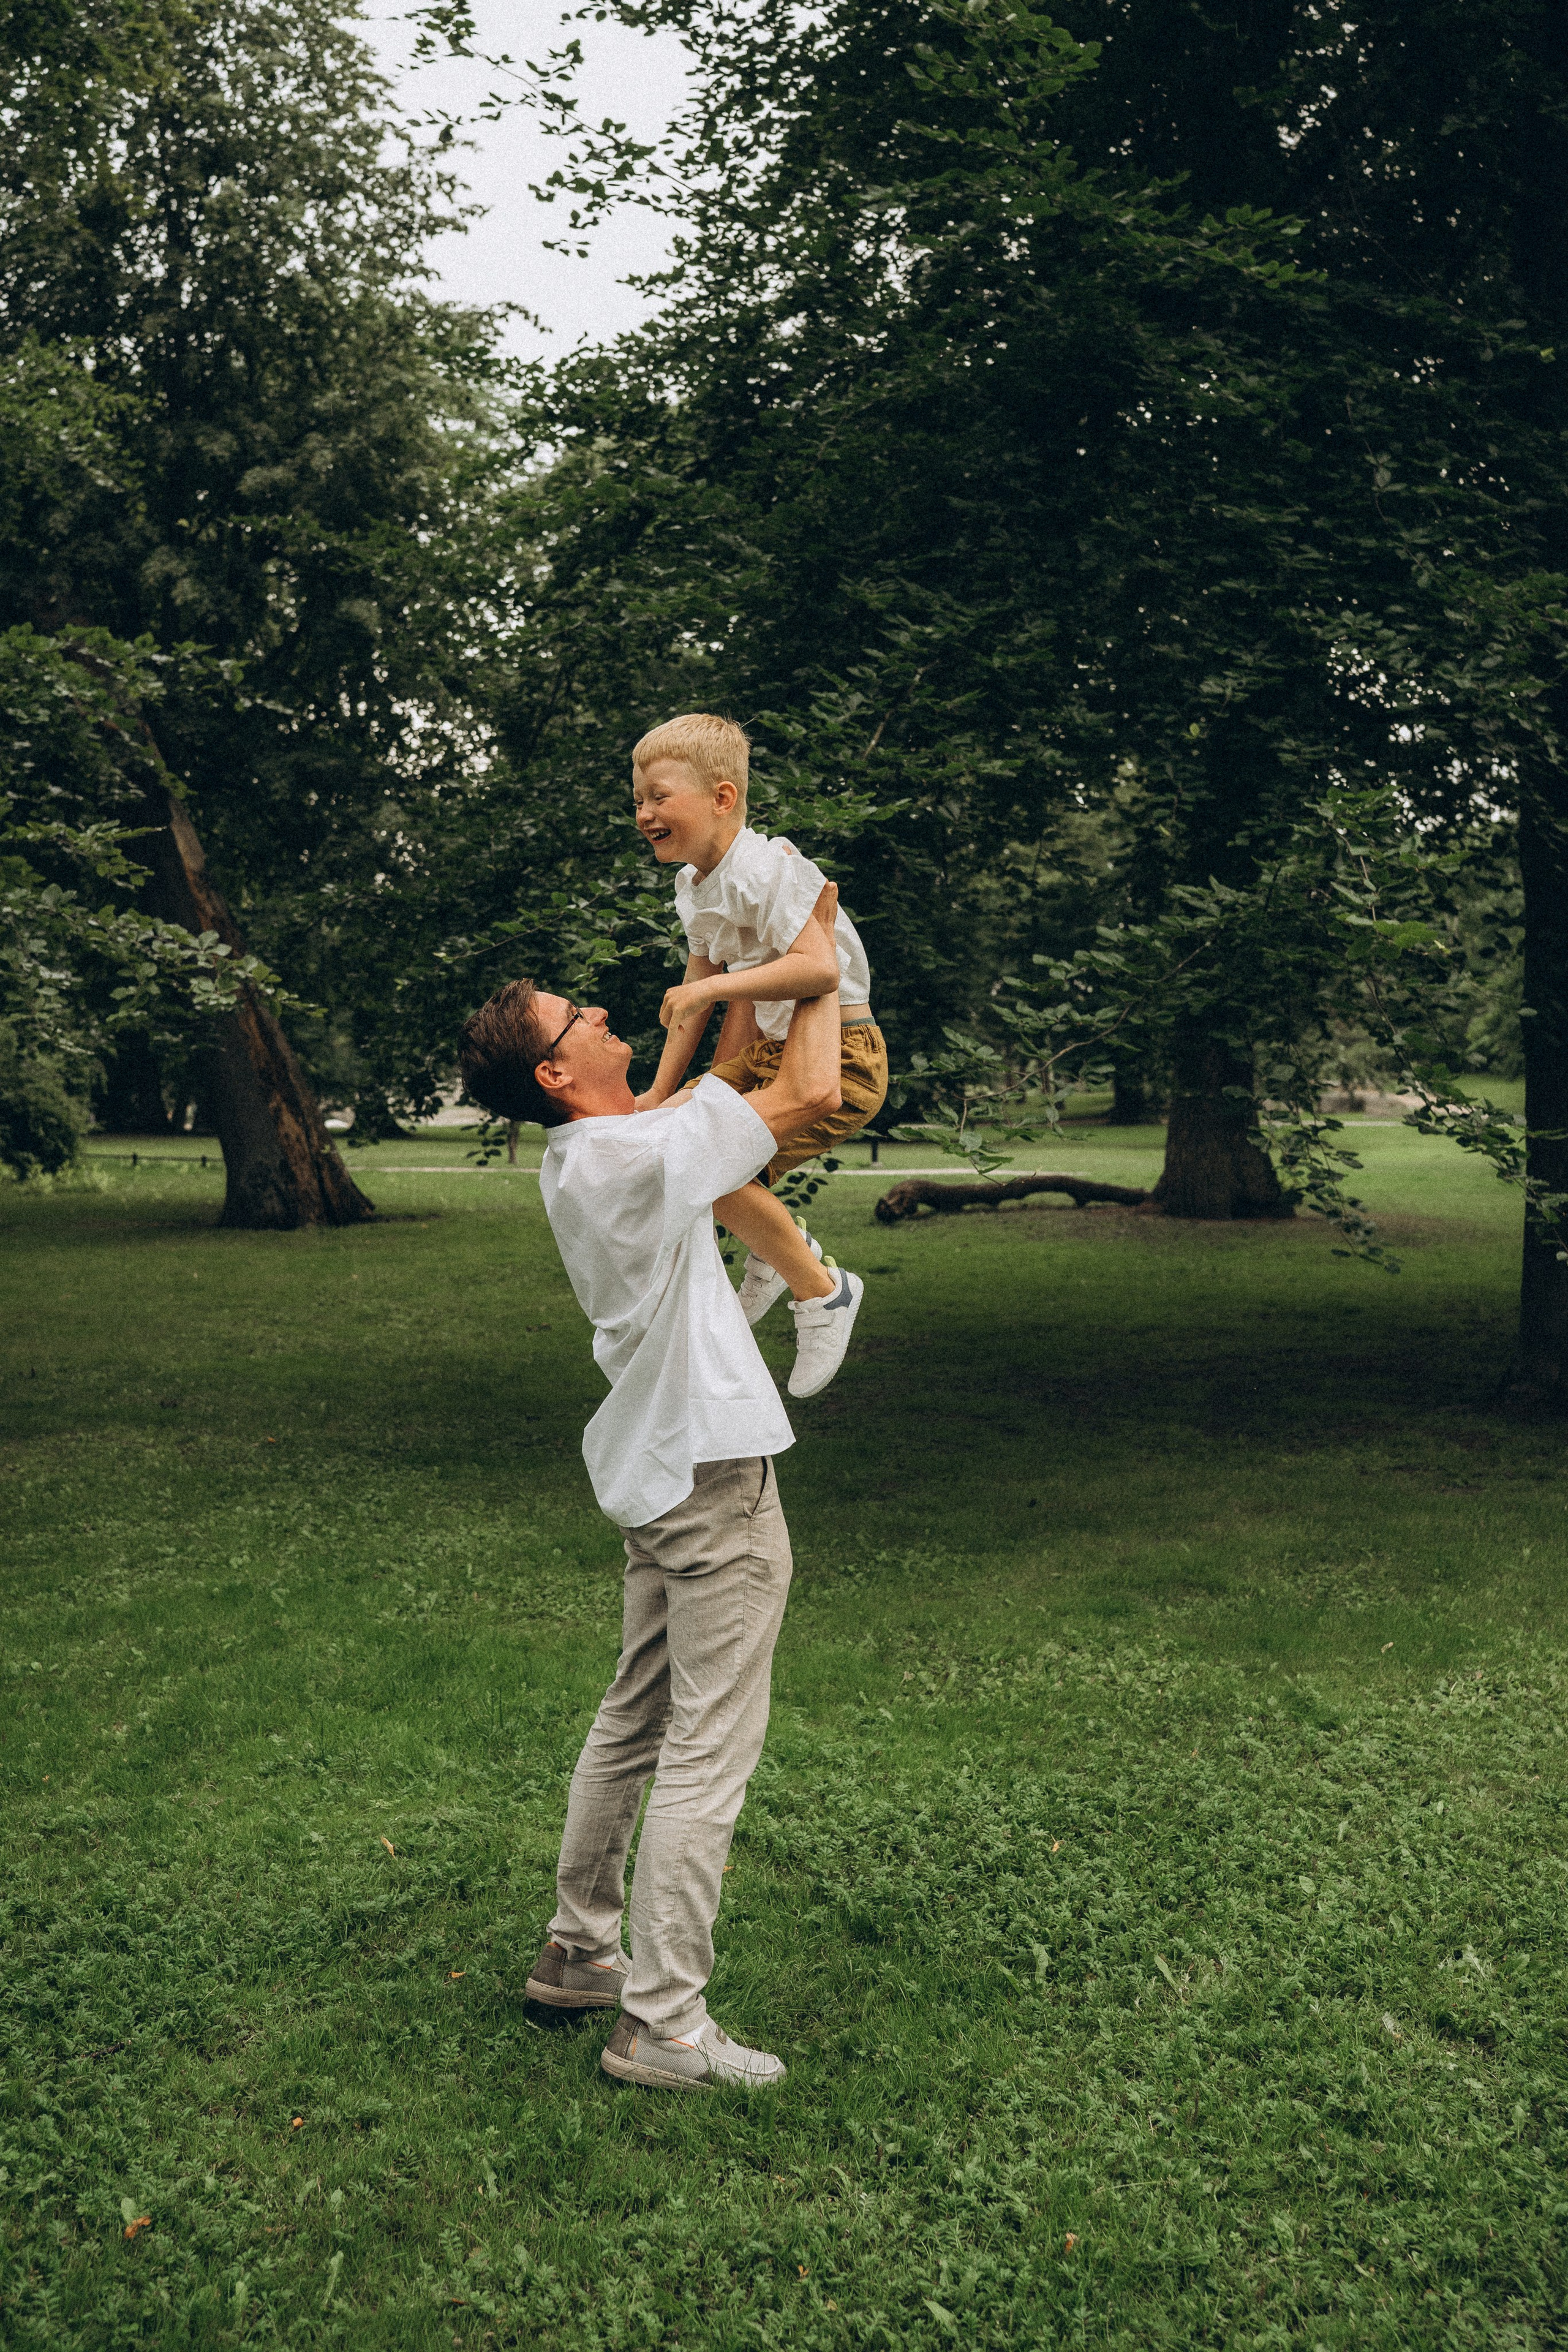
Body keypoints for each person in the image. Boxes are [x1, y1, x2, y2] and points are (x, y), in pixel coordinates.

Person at [456, 891, 851, 2092]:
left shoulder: (592, 1152)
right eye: (579, 1013)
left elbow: (690, 1095)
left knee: (634, 1718)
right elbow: (810, 1096)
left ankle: (580, 1953)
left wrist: (715, 965)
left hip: (656, 1482)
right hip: (711, 1483)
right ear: (559, 1070)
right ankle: (663, 2025)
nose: (604, 1009)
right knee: (702, 1754)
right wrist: (810, 964)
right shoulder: (629, 1153)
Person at [631, 710, 884, 1400]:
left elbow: (817, 972)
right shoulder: (695, 887)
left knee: (702, 1162)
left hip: (844, 1057)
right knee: (664, 1144)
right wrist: (657, 1092)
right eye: (637, 800)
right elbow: (693, 1000)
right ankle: (774, 1249)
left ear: (722, 798)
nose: (644, 812)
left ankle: (822, 1290)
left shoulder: (769, 872)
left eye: (658, 796)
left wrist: (713, 983)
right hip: (774, 1052)